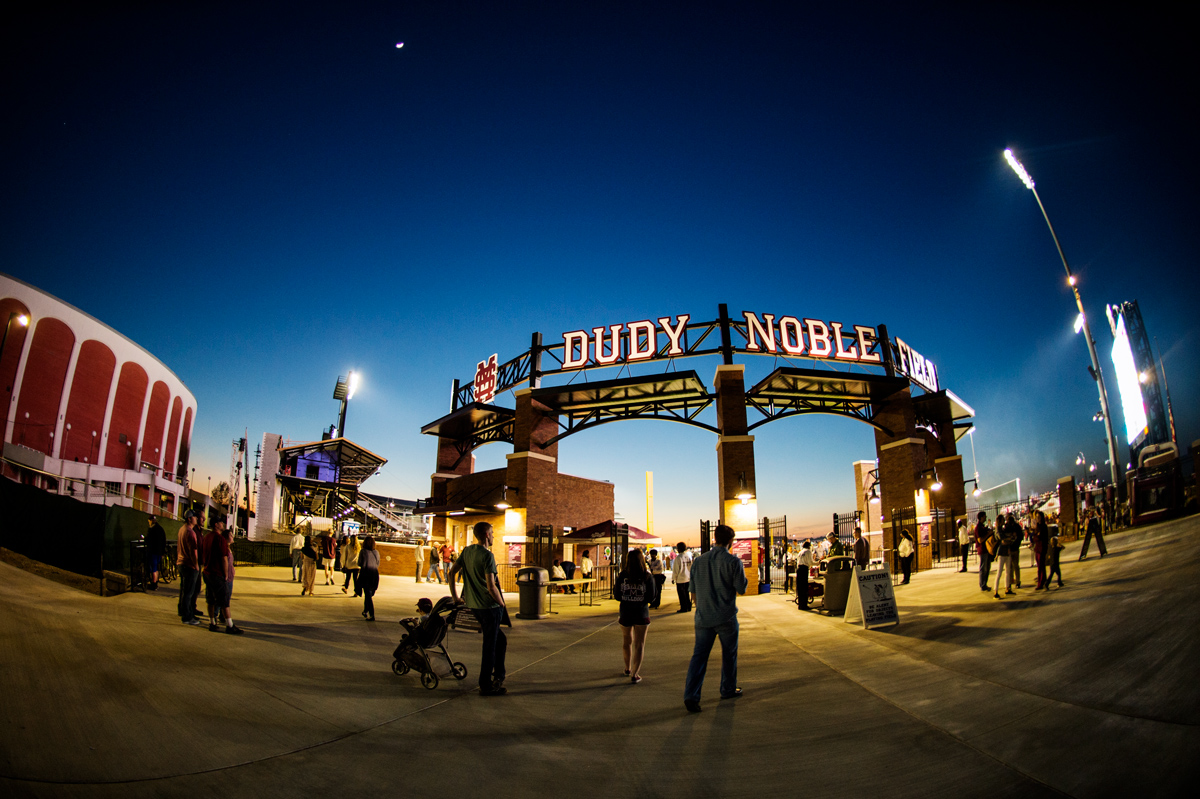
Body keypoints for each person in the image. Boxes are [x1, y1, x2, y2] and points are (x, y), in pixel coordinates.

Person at [684, 524, 748, 712]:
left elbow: (693, 593)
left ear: (714, 537)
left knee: (699, 657)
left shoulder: (699, 561)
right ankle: (728, 688)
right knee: (729, 655)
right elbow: (741, 589)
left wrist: (702, 608)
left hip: (703, 617)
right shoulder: (733, 562)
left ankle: (691, 695)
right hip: (726, 616)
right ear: (730, 541)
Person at [449, 522, 508, 696]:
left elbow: (452, 573)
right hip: (489, 607)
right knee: (490, 645)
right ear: (486, 535)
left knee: (501, 640)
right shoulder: (487, 556)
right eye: (492, 533)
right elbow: (491, 586)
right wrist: (501, 603)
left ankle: (499, 675)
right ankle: (486, 685)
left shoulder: (467, 551)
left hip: (474, 606)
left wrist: (455, 597)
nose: (493, 536)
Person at [615, 548, 657, 683]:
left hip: (625, 612)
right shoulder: (647, 576)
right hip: (641, 613)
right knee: (639, 644)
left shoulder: (622, 576)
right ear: (642, 560)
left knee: (626, 642)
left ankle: (627, 668)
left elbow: (616, 595)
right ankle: (635, 673)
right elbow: (652, 596)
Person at [176, 510, 203, 625]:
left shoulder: (182, 530)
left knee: (184, 590)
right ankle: (187, 617)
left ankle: (182, 611)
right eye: (194, 517)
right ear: (189, 519)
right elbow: (193, 551)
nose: (196, 519)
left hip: (181, 563)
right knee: (189, 592)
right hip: (189, 565)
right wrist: (196, 565)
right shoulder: (190, 532)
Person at [993, 515, 1019, 598]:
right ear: (999, 520)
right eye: (1003, 520)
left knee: (1008, 571)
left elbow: (1009, 538)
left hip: (1007, 550)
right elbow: (1002, 538)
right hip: (1001, 552)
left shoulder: (1003, 528)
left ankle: (1007, 588)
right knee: (999, 572)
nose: (1004, 521)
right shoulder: (998, 529)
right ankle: (995, 591)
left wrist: (1009, 538)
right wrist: (1009, 538)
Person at [358, 535, 380, 621]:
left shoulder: (363, 551)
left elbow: (359, 563)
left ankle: (371, 614)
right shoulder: (376, 552)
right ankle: (365, 611)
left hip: (366, 573)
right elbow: (378, 564)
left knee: (368, 595)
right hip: (374, 574)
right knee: (369, 594)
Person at [145, 517, 167, 591]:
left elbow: (148, 540)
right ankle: (156, 583)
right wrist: (162, 552)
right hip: (159, 552)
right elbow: (164, 541)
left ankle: (154, 584)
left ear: (151, 521)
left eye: (149, 521)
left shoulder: (152, 529)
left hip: (153, 551)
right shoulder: (161, 529)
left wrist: (145, 539)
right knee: (156, 568)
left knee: (153, 568)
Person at [975, 511, 993, 592]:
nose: (986, 517)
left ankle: (985, 583)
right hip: (982, 550)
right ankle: (982, 584)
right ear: (981, 517)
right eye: (984, 516)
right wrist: (988, 534)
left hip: (987, 549)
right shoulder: (978, 528)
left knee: (987, 567)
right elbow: (980, 540)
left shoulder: (982, 527)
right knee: (983, 568)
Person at [671, 542, 692, 613]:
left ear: (678, 549)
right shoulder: (688, 556)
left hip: (681, 579)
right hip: (688, 578)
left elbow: (676, 569)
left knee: (681, 594)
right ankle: (689, 606)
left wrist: (674, 578)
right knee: (687, 593)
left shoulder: (678, 558)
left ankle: (684, 607)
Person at [1033, 510, 1050, 590]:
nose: (1037, 518)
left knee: (1041, 566)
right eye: (1036, 517)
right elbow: (1034, 537)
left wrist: (1036, 536)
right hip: (1038, 548)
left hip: (1041, 548)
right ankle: (1043, 580)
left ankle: (1041, 582)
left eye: (1038, 517)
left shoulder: (1043, 526)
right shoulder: (1038, 526)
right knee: (1040, 566)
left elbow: (1039, 537)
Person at [797, 540, 814, 608]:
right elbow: (810, 562)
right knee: (804, 587)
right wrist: (817, 563)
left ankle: (800, 604)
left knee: (800, 587)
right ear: (808, 546)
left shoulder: (800, 552)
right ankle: (804, 604)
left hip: (799, 569)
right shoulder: (808, 552)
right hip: (804, 569)